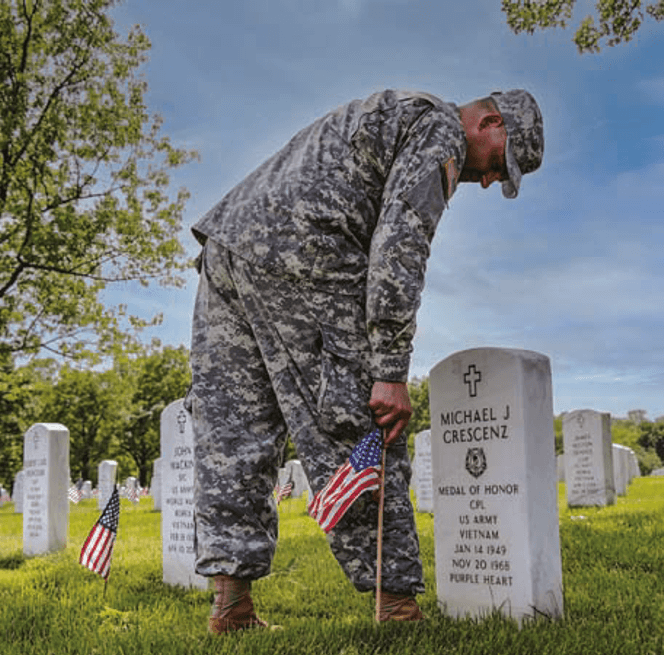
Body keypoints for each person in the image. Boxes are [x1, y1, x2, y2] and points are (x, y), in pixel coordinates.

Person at [185, 88, 544, 633]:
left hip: (229, 246)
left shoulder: (397, 109)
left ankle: (231, 606)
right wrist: (390, 371)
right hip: (304, 253)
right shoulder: (438, 129)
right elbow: (401, 245)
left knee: (233, 432)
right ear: (489, 122)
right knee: (360, 421)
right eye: (501, 162)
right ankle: (396, 608)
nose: (492, 180)